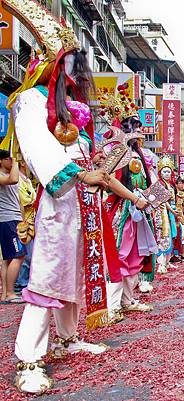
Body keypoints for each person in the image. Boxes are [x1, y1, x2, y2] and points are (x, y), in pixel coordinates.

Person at [2, 3, 121, 392]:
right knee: (48, 272)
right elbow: (38, 148)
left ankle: (68, 337)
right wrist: (81, 173)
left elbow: (76, 149)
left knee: (72, 270)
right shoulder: (32, 100)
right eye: (69, 61)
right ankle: (29, 357)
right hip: (56, 199)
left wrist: (95, 165)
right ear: (52, 62)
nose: (75, 71)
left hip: (78, 199)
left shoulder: (69, 108)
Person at [99, 93, 156, 315]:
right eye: (133, 125)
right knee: (118, 255)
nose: (138, 130)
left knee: (135, 257)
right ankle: (111, 306)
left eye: (138, 125)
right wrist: (134, 198)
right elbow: (108, 179)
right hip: (121, 210)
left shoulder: (139, 154)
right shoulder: (113, 150)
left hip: (138, 212)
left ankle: (127, 300)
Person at [0, 150, 25, 304]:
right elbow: (14, 179)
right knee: (18, 255)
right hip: (7, 219)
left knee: (8, 259)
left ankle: (5, 293)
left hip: (14, 219)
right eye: (8, 159)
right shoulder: (3, 175)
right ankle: (10, 293)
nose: (11, 161)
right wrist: (16, 160)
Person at [14, 162, 36, 294]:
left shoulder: (26, 179)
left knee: (30, 253)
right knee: (25, 255)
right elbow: (25, 200)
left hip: (31, 220)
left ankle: (25, 281)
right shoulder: (18, 180)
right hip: (23, 220)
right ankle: (20, 283)